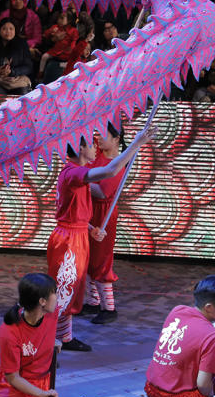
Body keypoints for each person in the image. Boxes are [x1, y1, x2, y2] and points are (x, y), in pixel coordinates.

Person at [48, 125, 155, 352]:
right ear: (79, 148)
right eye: (89, 144)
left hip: (77, 234)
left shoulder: (75, 172)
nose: (94, 147)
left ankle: (64, 336)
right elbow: (108, 172)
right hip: (69, 240)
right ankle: (61, 338)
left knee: (73, 288)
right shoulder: (74, 172)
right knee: (66, 288)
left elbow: (75, 211)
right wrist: (136, 145)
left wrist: (90, 228)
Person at [81, 122, 126, 324]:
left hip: (104, 215)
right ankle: (92, 302)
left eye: (103, 135)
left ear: (117, 139)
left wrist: (80, 180)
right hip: (88, 211)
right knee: (88, 258)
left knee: (101, 259)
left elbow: (102, 192)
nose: (98, 139)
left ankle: (109, 308)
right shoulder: (99, 153)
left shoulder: (117, 164)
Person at [0, 18, 33, 95]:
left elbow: (28, 67)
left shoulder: (22, 44)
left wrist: (12, 72)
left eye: (11, 29)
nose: (8, 32)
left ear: (15, 30)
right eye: (4, 29)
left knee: (23, 93)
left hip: (17, 81)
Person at [38, 10, 79, 82]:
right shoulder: (55, 27)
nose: (59, 20)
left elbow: (74, 40)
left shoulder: (73, 30)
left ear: (69, 20)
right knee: (44, 56)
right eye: (59, 18)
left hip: (67, 52)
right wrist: (51, 32)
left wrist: (71, 48)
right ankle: (40, 72)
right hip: (55, 51)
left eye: (62, 18)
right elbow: (45, 34)